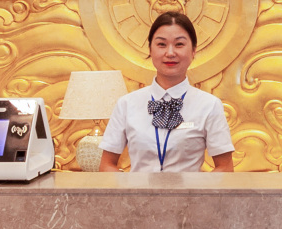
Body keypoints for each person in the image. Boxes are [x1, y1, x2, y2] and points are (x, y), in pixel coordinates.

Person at [99, 9, 237, 172]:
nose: (170, 53)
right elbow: (106, 164)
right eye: (161, 44)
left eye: (179, 44)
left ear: (193, 50)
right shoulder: (126, 104)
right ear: (150, 49)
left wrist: (196, 188)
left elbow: (225, 167)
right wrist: (130, 187)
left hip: (190, 190)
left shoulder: (209, 105)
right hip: (138, 189)